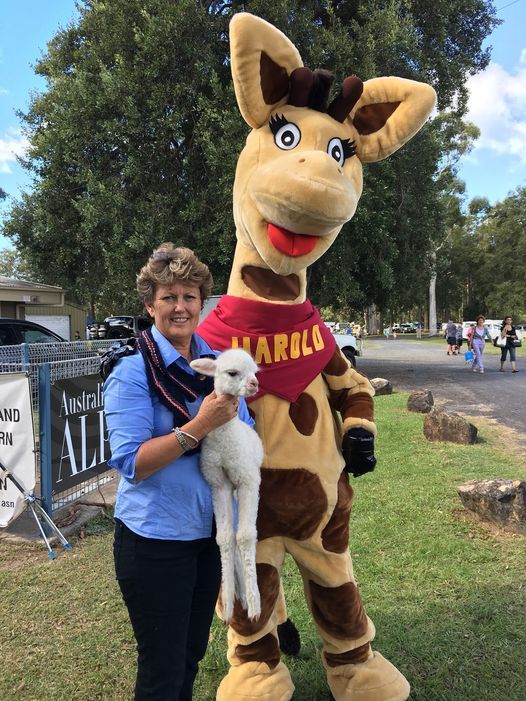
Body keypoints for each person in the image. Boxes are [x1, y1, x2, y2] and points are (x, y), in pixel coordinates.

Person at [103, 243, 255, 701]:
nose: (180, 307)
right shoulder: (132, 372)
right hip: (155, 543)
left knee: (190, 655)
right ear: (150, 305)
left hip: (208, 536)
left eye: (190, 296)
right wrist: (200, 425)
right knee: (162, 671)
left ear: (201, 302)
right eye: (168, 296)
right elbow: (132, 463)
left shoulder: (222, 364)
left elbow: (243, 432)